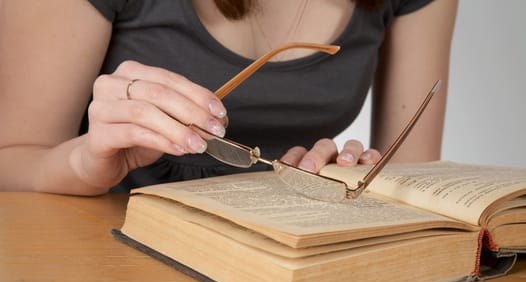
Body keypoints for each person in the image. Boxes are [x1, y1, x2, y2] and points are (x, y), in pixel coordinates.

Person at [0, 0, 458, 195]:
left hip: (280, 264)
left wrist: (347, 182)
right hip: (96, 262)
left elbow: (415, 181)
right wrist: (85, 164)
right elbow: (10, 161)